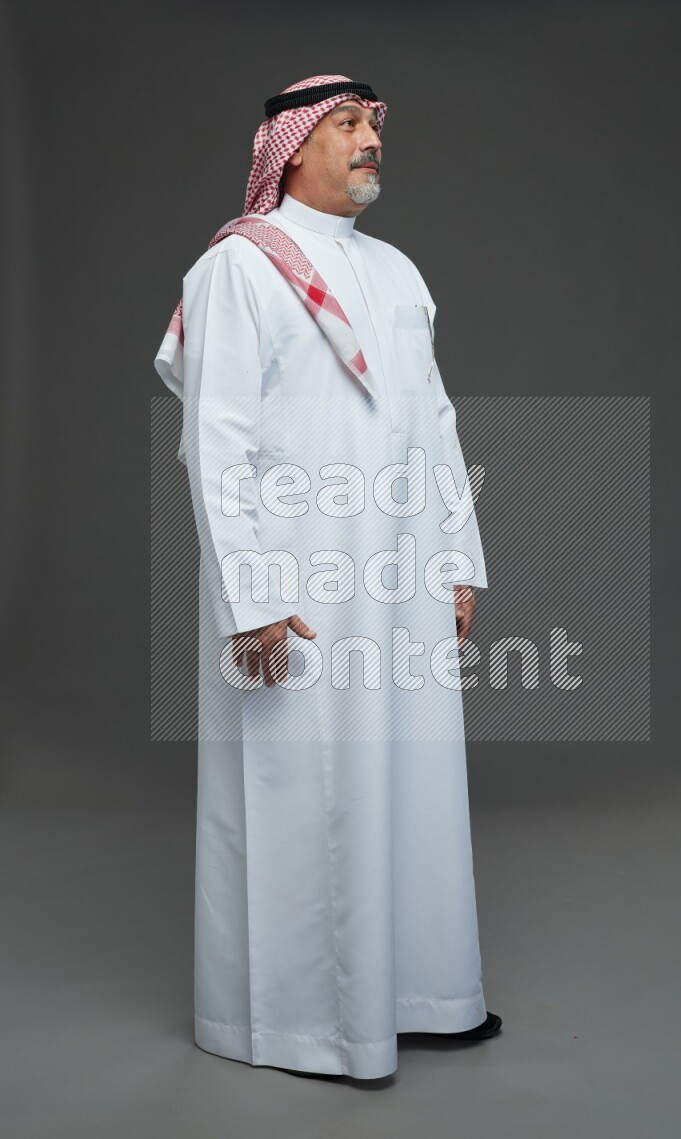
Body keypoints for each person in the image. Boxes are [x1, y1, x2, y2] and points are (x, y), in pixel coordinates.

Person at [153, 74, 501, 1080]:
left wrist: (453, 557)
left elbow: (432, 421)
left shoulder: (395, 270)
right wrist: (251, 597)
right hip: (298, 586)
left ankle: (423, 994)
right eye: (345, 124)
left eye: (373, 125)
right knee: (304, 787)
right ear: (291, 145)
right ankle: (305, 1025)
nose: (367, 140)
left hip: (396, 575)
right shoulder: (239, 268)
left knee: (411, 777)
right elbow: (213, 444)